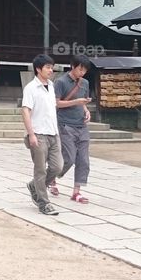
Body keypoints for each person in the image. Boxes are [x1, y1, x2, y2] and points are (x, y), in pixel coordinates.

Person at [21, 54, 62, 216]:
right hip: (38, 134)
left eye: (52, 67)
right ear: (38, 69)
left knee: (57, 167)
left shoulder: (51, 86)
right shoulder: (31, 88)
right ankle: (43, 203)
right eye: (47, 67)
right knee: (40, 170)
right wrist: (31, 134)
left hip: (53, 133)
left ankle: (34, 186)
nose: (51, 70)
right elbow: (25, 111)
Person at [52, 55, 93, 204]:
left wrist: (86, 110)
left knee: (83, 160)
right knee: (68, 158)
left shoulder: (85, 83)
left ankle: (77, 191)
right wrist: (76, 101)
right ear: (73, 66)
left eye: (85, 70)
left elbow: (83, 101)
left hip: (81, 124)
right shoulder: (61, 82)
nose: (82, 73)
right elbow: (56, 103)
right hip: (65, 124)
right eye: (80, 69)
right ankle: (51, 177)